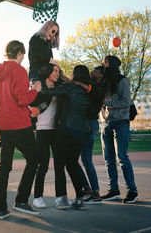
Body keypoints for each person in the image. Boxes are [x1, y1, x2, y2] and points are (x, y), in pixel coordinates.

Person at [0, 40, 42, 220]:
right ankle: (21, 200)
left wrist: (3, 99)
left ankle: (1, 209)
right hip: (19, 125)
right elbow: (23, 99)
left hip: (1, 126)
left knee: (4, 166)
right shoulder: (19, 70)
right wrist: (35, 90)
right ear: (21, 53)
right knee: (34, 158)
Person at [41, 65, 92, 210]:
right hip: (80, 133)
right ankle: (79, 199)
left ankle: (61, 199)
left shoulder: (70, 87)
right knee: (72, 164)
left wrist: (40, 88)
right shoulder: (87, 91)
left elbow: (50, 91)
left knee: (59, 165)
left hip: (66, 131)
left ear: (75, 74)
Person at [99, 55, 139, 204]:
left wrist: (106, 102)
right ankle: (114, 190)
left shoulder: (123, 81)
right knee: (108, 159)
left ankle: (132, 191)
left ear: (113, 64)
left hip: (120, 122)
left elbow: (125, 101)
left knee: (121, 157)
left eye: (106, 62)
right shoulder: (104, 81)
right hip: (105, 123)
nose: (104, 64)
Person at [29, 63, 60, 209]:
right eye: (54, 70)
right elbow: (29, 105)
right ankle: (37, 197)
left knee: (60, 164)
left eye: (58, 71)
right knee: (43, 166)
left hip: (57, 130)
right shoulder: (39, 88)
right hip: (42, 129)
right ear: (47, 72)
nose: (57, 73)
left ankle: (61, 197)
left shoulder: (60, 89)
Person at [79, 66, 106, 204]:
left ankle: (94, 191)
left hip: (89, 124)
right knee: (82, 160)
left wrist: (77, 83)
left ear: (101, 75)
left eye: (96, 71)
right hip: (88, 123)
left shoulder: (98, 88)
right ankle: (89, 188)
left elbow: (91, 91)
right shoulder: (92, 86)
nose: (92, 72)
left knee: (84, 160)